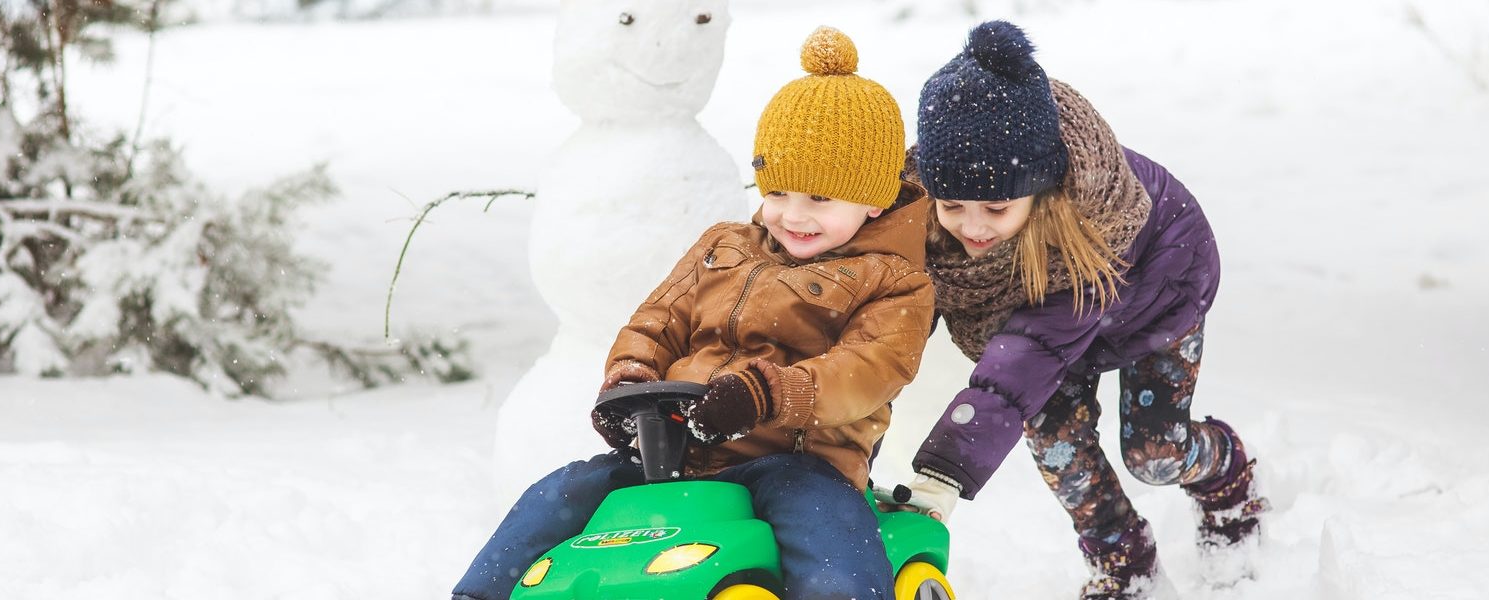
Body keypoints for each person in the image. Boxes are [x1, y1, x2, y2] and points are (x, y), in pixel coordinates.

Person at [452, 26, 934, 600]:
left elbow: (869, 371)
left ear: (874, 198)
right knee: (564, 490)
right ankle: (481, 592)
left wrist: (770, 394)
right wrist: (631, 380)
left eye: (820, 199)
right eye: (777, 191)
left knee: (824, 530)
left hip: (796, 460)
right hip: (676, 451)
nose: (791, 215)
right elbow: (657, 321)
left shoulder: (895, 282)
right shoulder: (724, 246)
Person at [885, 21, 1269, 599]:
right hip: (1047, 328)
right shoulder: (925, 221)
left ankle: (1227, 474)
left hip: (1156, 296)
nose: (972, 227)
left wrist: (944, 472)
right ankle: (1124, 565)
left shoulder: (1088, 235)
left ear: (1039, 192)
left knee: (1155, 454)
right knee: (1056, 437)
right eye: (953, 204)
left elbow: (1019, 369)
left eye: (995, 207)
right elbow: (895, 316)